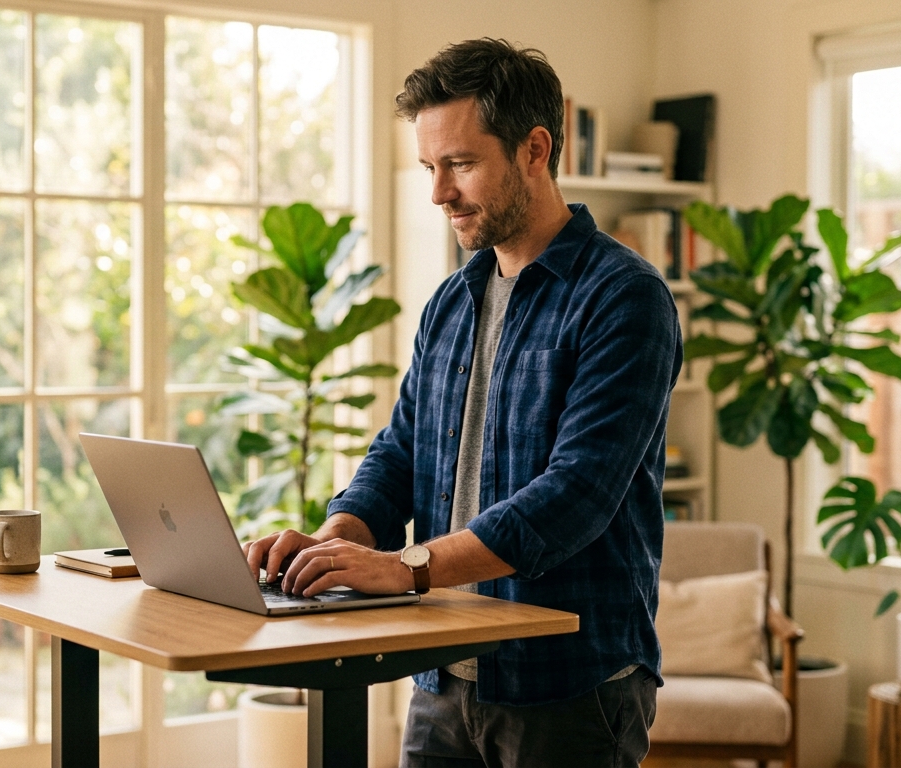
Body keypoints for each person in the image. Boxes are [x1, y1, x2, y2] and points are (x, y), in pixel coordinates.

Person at [243, 37, 682, 768]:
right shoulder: (454, 299)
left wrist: (406, 566)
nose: (439, 192)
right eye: (430, 167)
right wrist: (336, 539)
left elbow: (575, 495)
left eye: (461, 164)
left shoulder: (624, 299)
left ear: (534, 150)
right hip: (444, 676)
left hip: (569, 685)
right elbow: (403, 450)